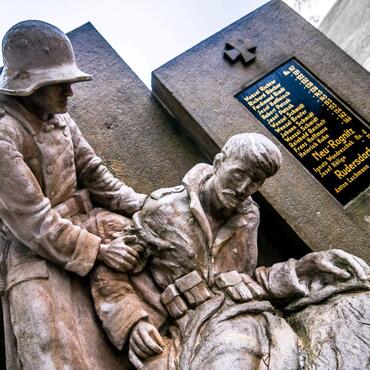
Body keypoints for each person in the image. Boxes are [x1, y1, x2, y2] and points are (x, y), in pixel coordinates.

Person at [91, 133, 370, 369]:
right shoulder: (164, 210)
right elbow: (111, 270)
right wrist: (132, 324)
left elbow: (248, 278)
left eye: (256, 181)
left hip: (252, 316)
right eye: (239, 174)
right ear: (219, 163)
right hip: (199, 328)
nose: (244, 189)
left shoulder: (249, 216)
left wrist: (309, 268)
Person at [0, 20, 145, 369]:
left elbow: (94, 172)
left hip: (86, 222)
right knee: (49, 352)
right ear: (30, 87)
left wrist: (143, 204)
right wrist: (98, 251)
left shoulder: (59, 115)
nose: (70, 92)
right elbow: (33, 220)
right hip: (33, 250)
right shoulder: (4, 134)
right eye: (59, 84)